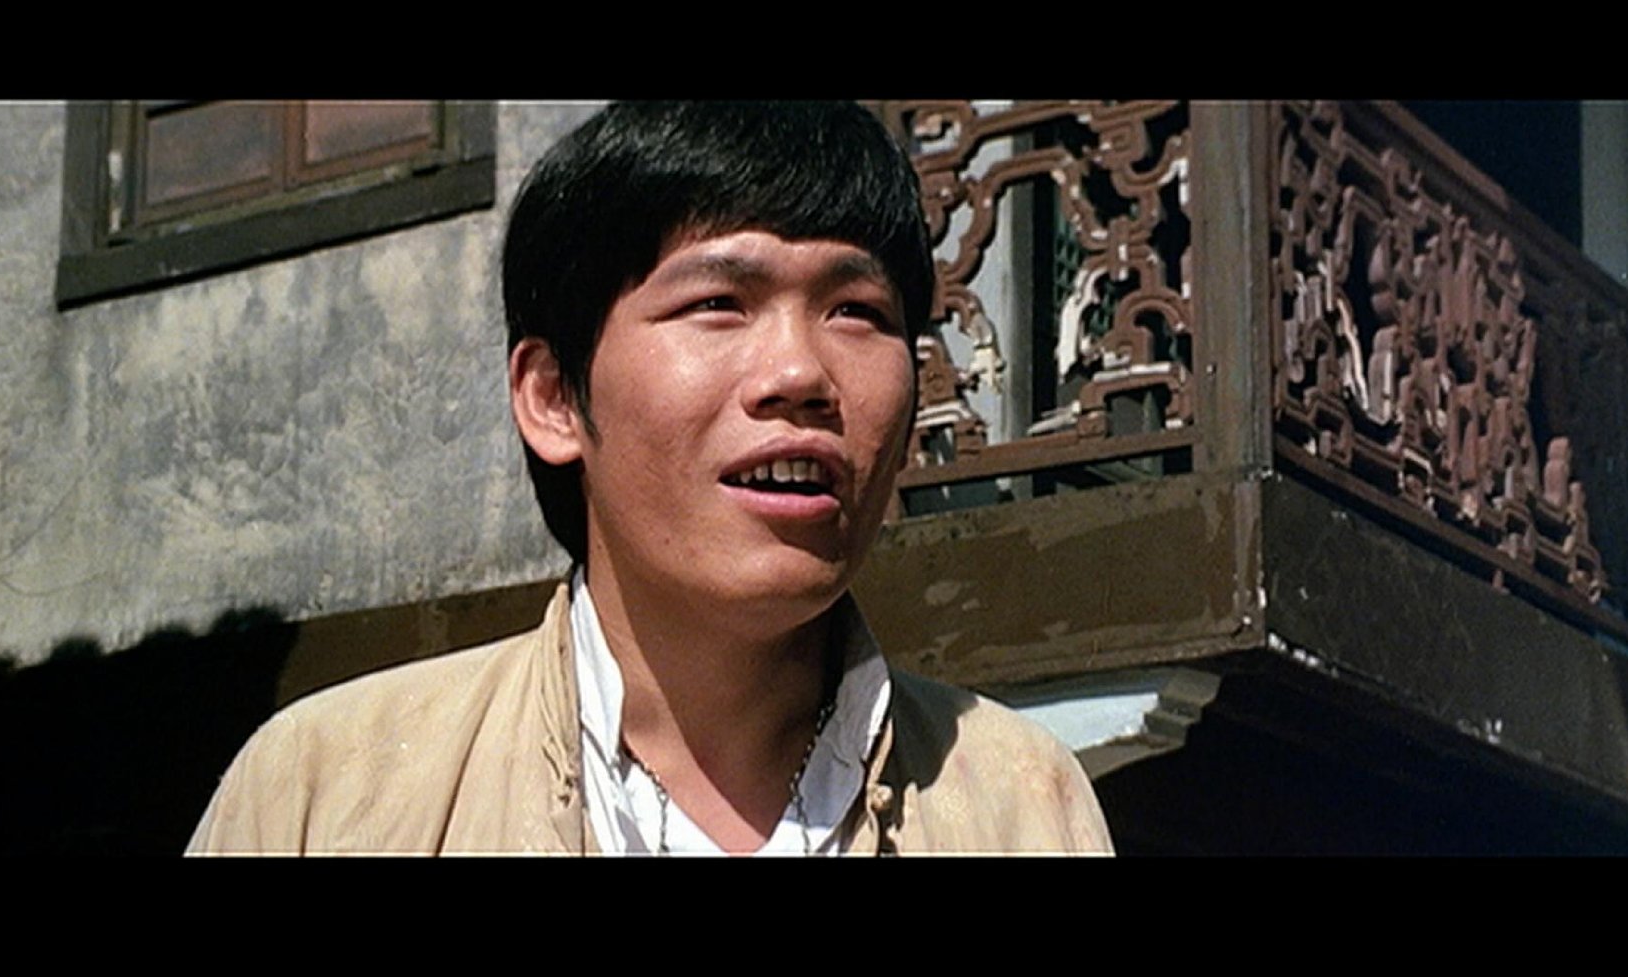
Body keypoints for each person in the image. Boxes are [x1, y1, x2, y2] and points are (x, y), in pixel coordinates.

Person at [187, 101, 1113, 855]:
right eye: (718, 302)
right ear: (554, 396)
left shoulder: (1024, 803)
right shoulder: (327, 794)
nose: (800, 372)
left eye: (855, 310)